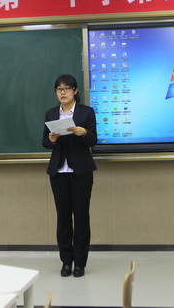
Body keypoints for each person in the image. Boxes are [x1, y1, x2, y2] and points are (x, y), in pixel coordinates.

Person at [42, 74, 97, 278]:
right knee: (63, 218)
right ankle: (66, 261)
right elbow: (44, 143)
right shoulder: (51, 113)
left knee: (81, 217)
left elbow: (93, 140)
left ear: (75, 91)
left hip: (81, 173)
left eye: (66, 88)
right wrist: (51, 139)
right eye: (59, 89)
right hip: (58, 173)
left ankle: (80, 263)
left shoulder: (86, 112)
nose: (62, 92)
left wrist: (84, 133)